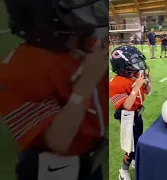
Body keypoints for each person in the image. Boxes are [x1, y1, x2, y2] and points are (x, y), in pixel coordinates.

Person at [0, 0, 109, 179]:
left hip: (93, 159)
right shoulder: (18, 69)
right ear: (45, 16)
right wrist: (86, 82)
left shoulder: (85, 45)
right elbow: (58, 142)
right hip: (56, 169)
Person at [109, 45, 152, 180]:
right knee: (130, 147)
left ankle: (134, 160)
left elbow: (148, 91)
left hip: (137, 115)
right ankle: (123, 171)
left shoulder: (134, 75)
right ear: (122, 66)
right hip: (127, 117)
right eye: (133, 61)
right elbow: (127, 105)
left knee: (138, 141)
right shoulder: (115, 83)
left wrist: (147, 79)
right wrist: (135, 88)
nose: (137, 65)